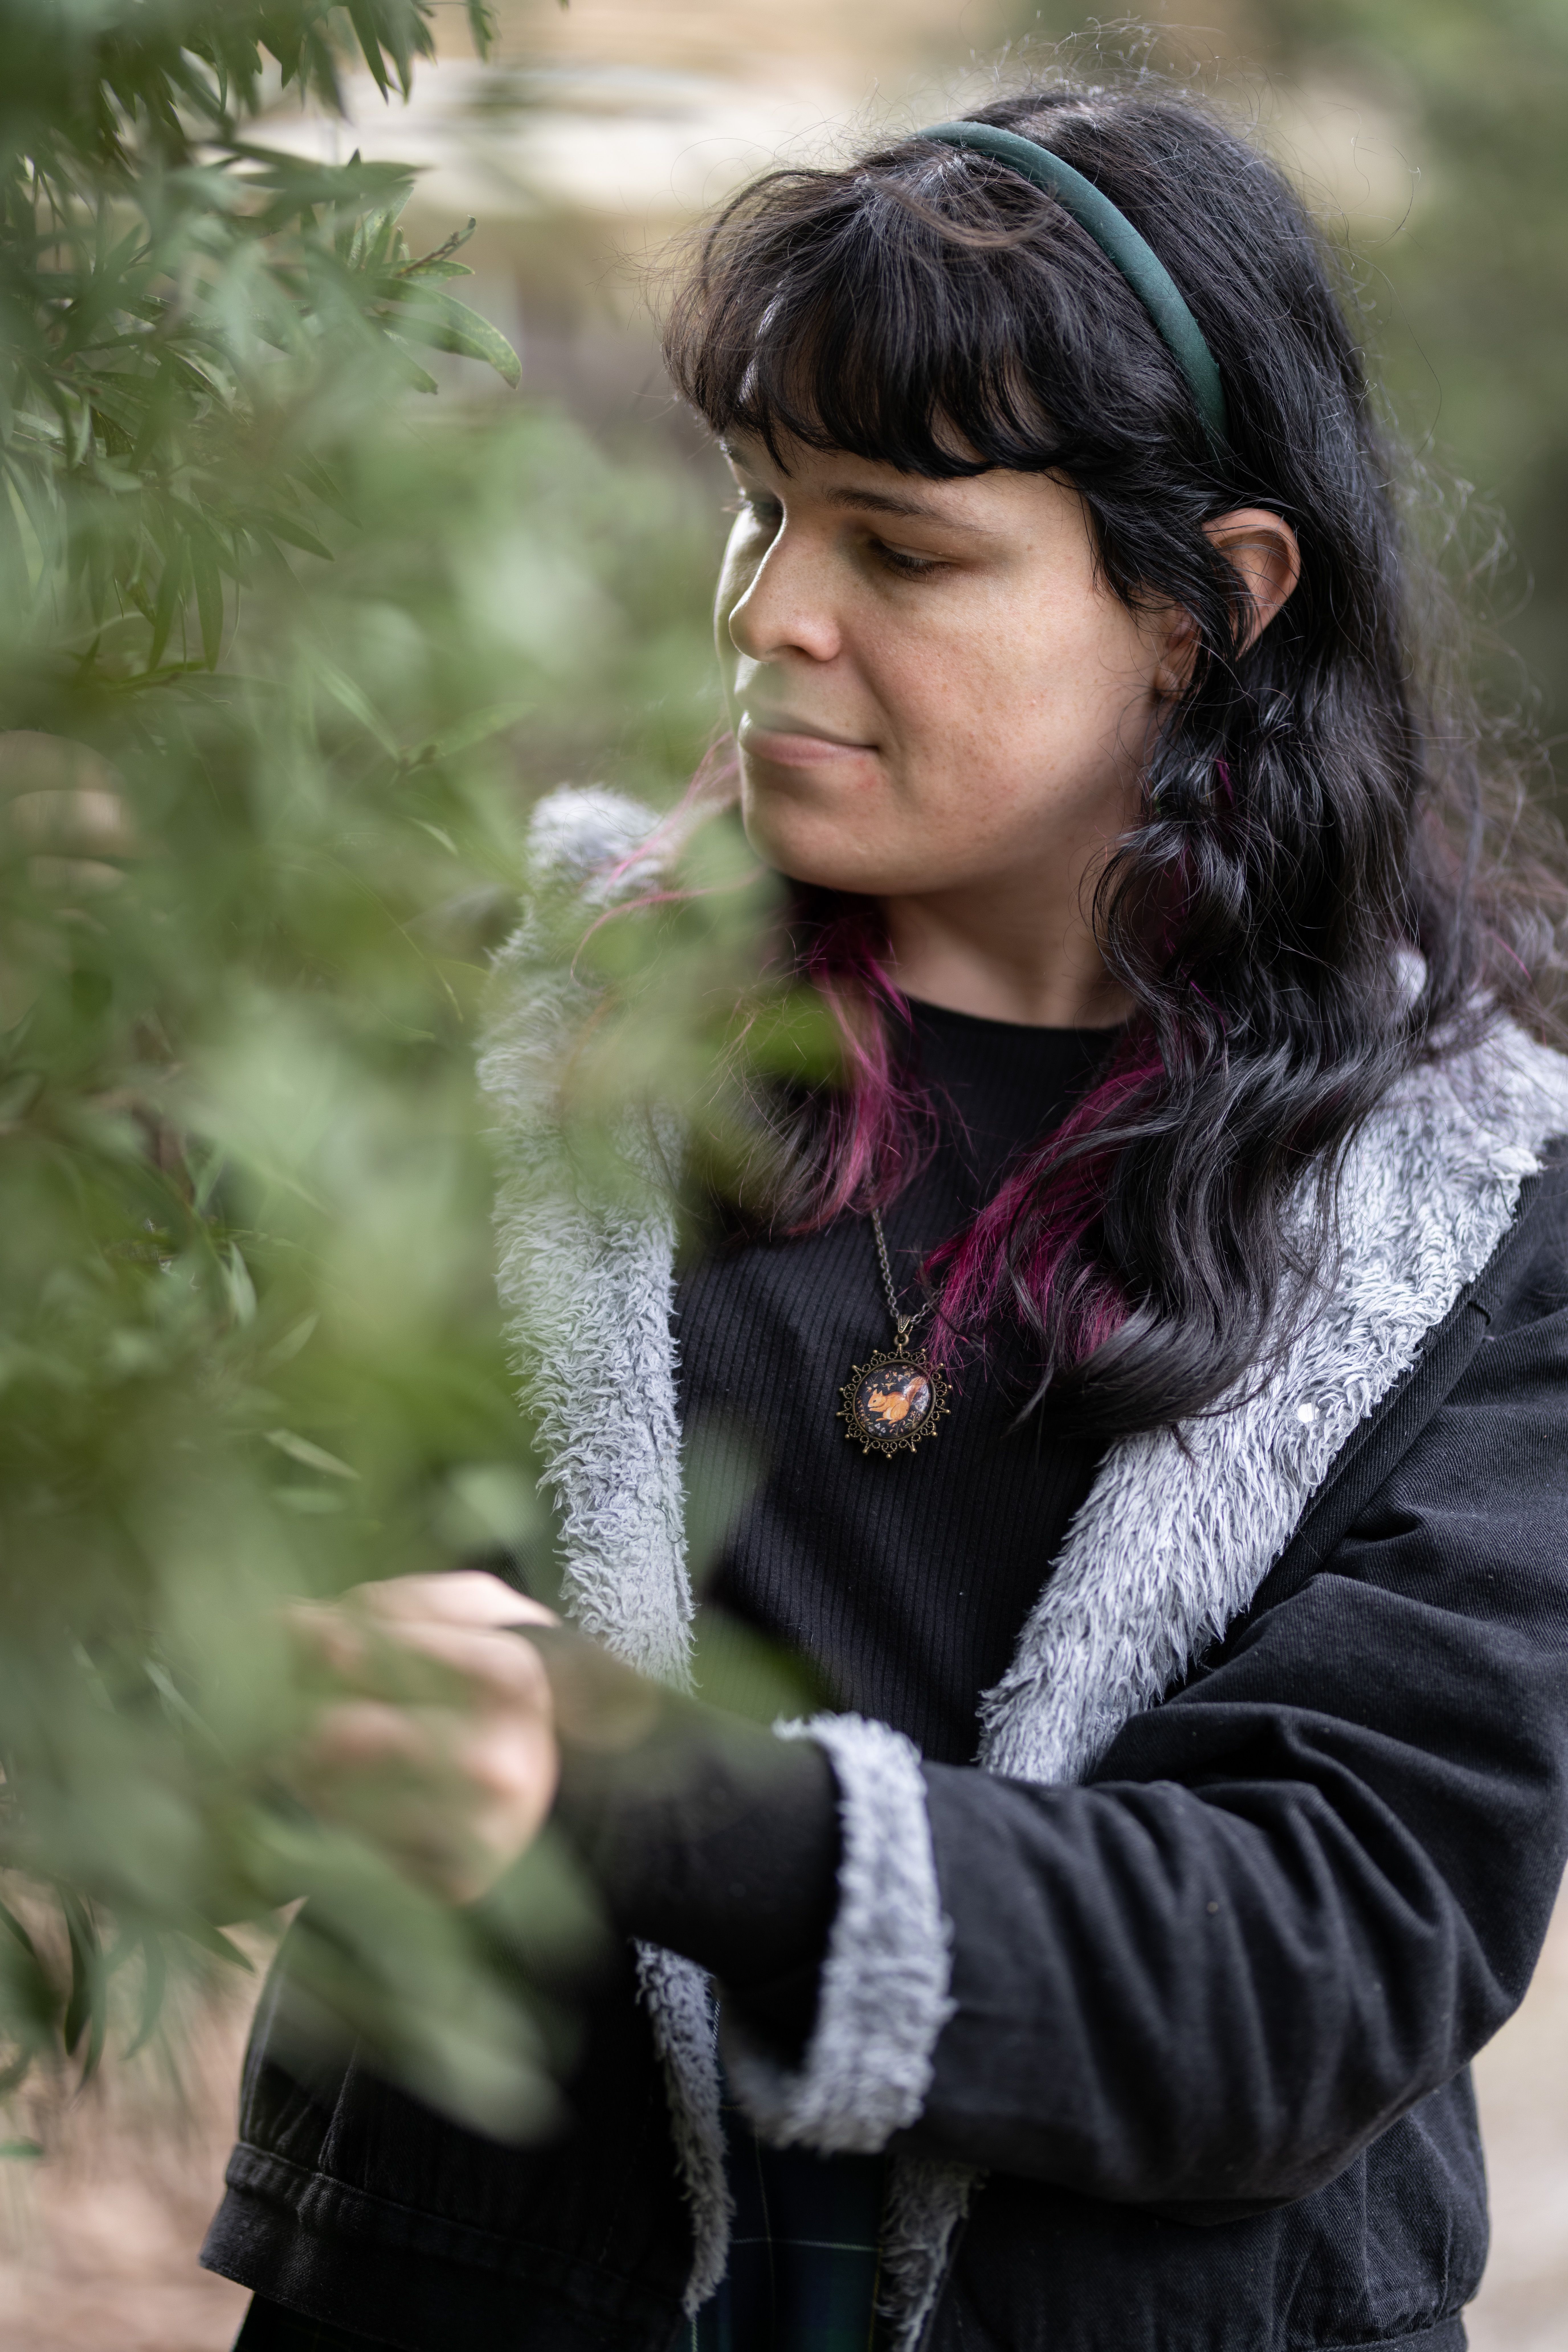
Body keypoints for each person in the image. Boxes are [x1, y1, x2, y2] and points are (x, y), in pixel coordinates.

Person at [204, 78, 1568, 2352]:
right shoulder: (516, 1047)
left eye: (901, 549)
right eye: (758, 511)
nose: (772, 615)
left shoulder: (1474, 1206)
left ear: (1202, 610)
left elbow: (1323, 1947)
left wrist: (654, 1800)